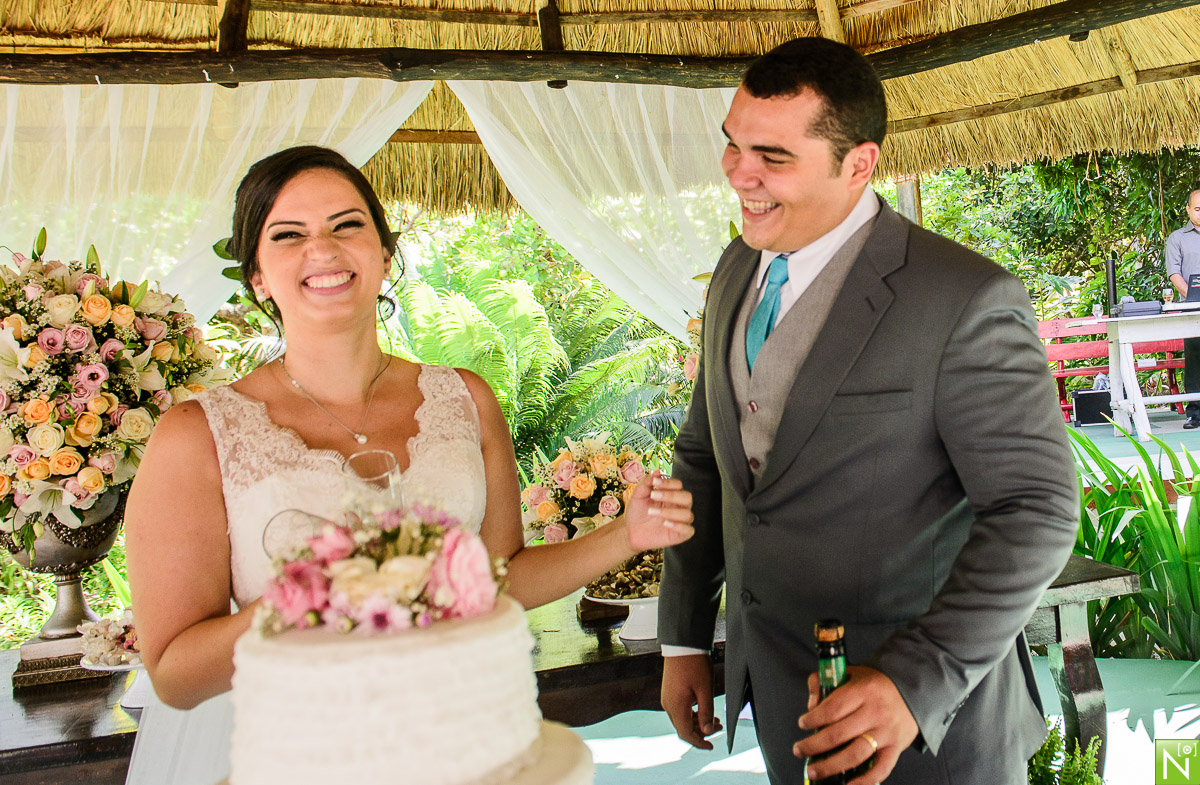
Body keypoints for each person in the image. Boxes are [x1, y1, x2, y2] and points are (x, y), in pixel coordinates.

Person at [122, 145, 695, 783]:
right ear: (256, 276)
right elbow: (174, 674)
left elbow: (498, 578)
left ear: (384, 253)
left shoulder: (465, 399)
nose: (324, 249)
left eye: (347, 225)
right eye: (288, 235)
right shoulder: (197, 434)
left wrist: (627, 534)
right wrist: (316, 597)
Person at [657, 37, 1078, 785]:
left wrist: (914, 682)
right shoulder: (734, 270)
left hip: (932, 737)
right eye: (733, 144)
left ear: (860, 164)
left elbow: (1036, 507)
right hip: (782, 703)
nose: (737, 173)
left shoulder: (964, 299)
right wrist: (684, 638)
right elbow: (705, 457)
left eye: (772, 157)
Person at [1166, 188, 1200, 429]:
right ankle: (1195, 412)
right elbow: (1174, 274)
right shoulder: (1177, 238)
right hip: (1193, 309)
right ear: (1188, 209)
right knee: (1196, 361)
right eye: (1197, 209)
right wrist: (1195, 298)